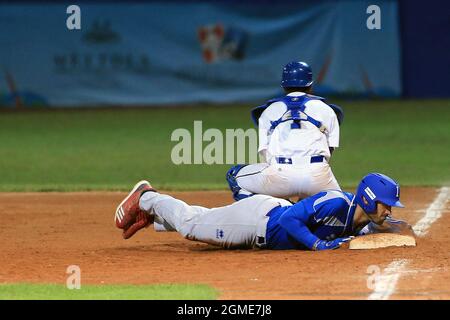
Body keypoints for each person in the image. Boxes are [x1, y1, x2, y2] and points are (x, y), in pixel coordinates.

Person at [114, 173, 411, 251]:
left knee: (207, 217)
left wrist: (400, 228)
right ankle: (148, 198)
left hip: (262, 222)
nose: (388, 212)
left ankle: (158, 216)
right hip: (258, 222)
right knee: (193, 226)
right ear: (370, 200)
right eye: (386, 205)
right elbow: (289, 219)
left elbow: (391, 229)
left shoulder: (357, 220)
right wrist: (318, 244)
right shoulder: (336, 202)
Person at [226, 61, 344, 201]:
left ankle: (277, 209)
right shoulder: (327, 110)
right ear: (310, 85)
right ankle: (311, 211)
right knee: (344, 210)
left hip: (280, 176)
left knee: (234, 175)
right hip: (319, 177)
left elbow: (265, 155)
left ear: (283, 85)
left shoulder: (268, 111)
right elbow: (330, 150)